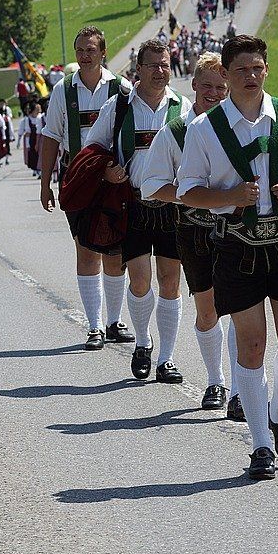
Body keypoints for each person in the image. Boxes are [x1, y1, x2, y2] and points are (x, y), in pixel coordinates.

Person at [177, 35, 278, 479]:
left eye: (257, 67)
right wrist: (229, 196)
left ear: (267, 70)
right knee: (252, 345)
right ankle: (260, 444)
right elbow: (188, 192)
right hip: (236, 246)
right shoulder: (204, 129)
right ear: (226, 75)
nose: (250, 76)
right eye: (241, 69)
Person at [141, 53, 243, 416]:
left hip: (237, 229)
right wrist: (190, 195)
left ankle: (240, 390)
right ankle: (216, 381)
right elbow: (151, 185)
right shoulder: (176, 131)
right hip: (194, 230)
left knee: (241, 309)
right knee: (208, 309)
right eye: (207, 86)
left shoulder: (240, 126)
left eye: (221, 87)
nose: (213, 93)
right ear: (194, 85)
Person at [86, 39, 191, 383]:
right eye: (153, 65)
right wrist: (106, 169)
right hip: (132, 204)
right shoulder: (119, 107)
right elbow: (92, 147)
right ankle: (143, 342)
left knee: (170, 281)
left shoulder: (183, 107)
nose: (160, 71)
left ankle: (166, 358)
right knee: (141, 280)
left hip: (172, 207)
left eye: (165, 64)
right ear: (138, 69)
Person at [40, 25, 134, 351]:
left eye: (91, 49)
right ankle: (94, 326)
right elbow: (51, 136)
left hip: (113, 180)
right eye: (80, 50)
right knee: (86, 249)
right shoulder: (63, 90)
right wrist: (45, 184)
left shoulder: (122, 88)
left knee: (116, 250)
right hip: (77, 177)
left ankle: (113, 322)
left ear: (103, 52)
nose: (84, 56)